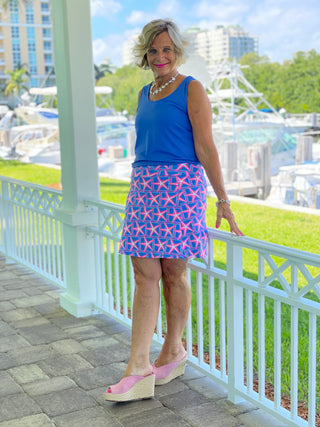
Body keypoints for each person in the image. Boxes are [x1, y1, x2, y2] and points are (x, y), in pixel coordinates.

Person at [104, 18, 244, 402]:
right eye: (153, 50)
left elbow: (206, 148)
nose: (160, 56)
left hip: (180, 188)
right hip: (144, 186)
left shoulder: (191, 89)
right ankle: (138, 366)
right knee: (143, 272)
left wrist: (223, 200)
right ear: (144, 55)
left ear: (177, 52)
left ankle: (173, 349)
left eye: (167, 49)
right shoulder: (143, 93)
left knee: (173, 272)